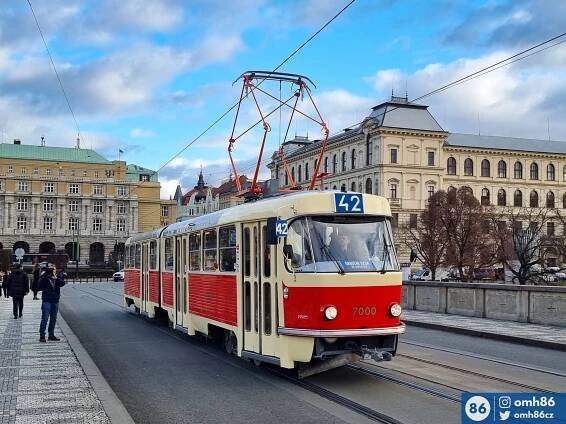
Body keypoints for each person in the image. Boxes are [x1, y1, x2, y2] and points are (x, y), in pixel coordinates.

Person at [38, 267, 66, 342]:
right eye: (53, 270)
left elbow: (62, 283)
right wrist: (42, 277)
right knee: (45, 318)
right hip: (46, 300)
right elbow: (39, 286)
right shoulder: (44, 279)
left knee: (53, 318)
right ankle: (42, 335)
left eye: (54, 270)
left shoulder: (56, 279)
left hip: (55, 300)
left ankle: (51, 335)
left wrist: (56, 278)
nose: (54, 271)